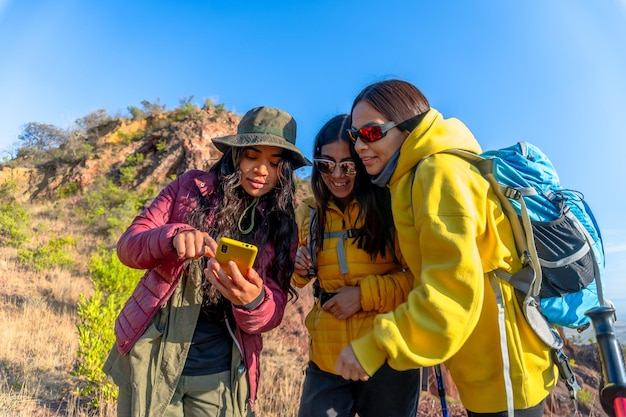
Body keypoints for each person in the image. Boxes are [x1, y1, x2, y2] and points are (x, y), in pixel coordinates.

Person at [335, 79, 558, 416]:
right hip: (491, 368)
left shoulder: (437, 172)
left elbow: (450, 291)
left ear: (407, 127)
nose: (360, 146)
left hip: (505, 373)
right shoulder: (414, 177)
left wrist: (377, 345)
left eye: (370, 133)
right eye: (355, 137)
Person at [103, 106, 310, 417]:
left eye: (275, 163)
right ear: (235, 155)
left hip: (220, 376)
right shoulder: (188, 188)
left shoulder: (283, 225)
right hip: (154, 357)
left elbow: (273, 311)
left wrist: (253, 301)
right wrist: (172, 237)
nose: (262, 170)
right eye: (252, 157)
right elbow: (129, 247)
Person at [292, 114, 420, 417]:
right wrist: (298, 267)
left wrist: (363, 295)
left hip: (388, 355)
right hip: (327, 357)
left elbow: (419, 280)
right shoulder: (308, 213)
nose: (337, 174)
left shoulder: (391, 207)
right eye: (326, 165)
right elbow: (298, 279)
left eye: (348, 165)